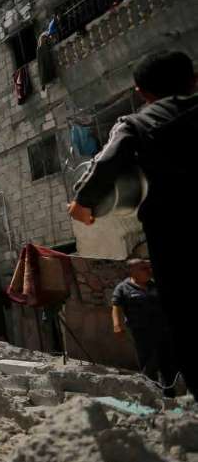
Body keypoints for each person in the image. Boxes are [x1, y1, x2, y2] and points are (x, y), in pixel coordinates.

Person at [69, 50, 198, 395]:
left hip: (176, 238)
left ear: (141, 92)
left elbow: (105, 164)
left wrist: (82, 205)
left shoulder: (137, 124)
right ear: (193, 80)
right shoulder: (126, 290)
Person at [112, 259, 177, 396]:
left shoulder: (153, 284)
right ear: (132, 271)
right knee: (149, 365)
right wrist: (117, 325)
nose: (148, 270)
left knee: (167, 363)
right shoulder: (123, 288)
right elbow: (116, 307)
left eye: (148, 267)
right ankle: (152, 395)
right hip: (142, 333)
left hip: (163, 330)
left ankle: (170, 395)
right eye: (143, 268)